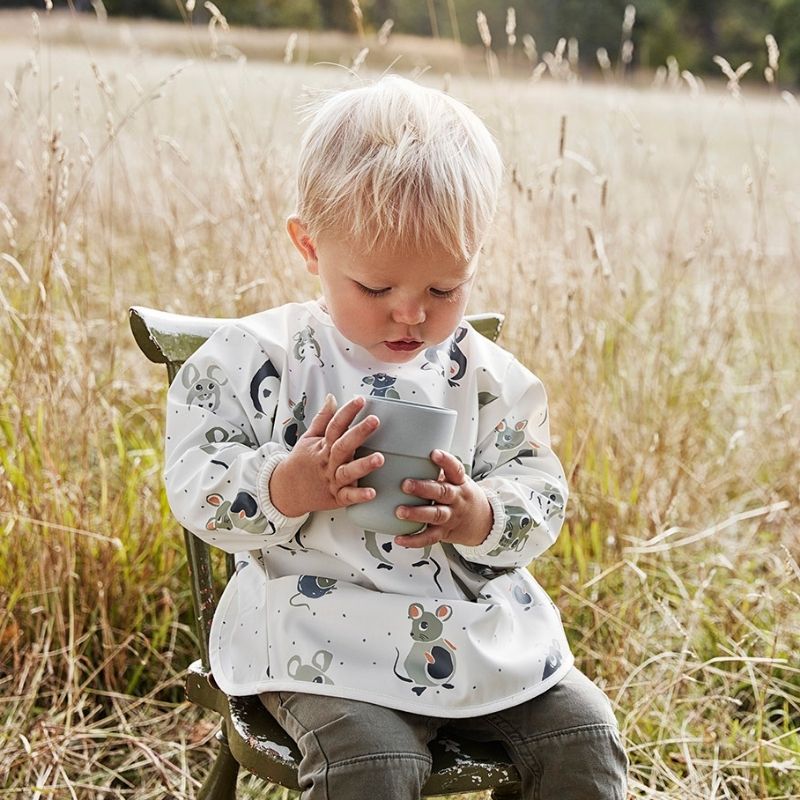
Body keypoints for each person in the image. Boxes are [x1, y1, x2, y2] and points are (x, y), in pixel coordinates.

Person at [164, 75, 628, 799]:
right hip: (318, 636)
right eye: (377, 289)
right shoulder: (261, 361)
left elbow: (540, 490)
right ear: (309, 246)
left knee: (584, 736)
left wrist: (480, 514)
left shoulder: (487, 377)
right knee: (373, 761)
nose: (410, 315)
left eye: (445, 290)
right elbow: (197, 479)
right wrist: (288, 484)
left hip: (472, 633)